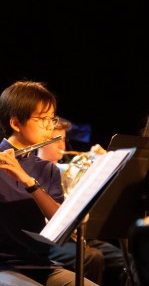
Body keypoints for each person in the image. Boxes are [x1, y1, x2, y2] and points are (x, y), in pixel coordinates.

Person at [0, 80, 97, 285]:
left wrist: (27, 181)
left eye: (51, 119)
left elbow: (60, 221)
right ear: (15, 123)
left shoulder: (47, 169)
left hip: (43, 266)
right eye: (42, 119)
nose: (49, 126)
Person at [38, 117, 138, 286]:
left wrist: (102, 162)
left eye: (64, 139)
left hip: (81, 234)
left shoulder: (71, 167)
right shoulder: (39, 170)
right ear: (43, 141)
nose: (62, 146)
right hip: (52, 238)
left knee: (127, 260)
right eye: (57, 140)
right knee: (93, 257)